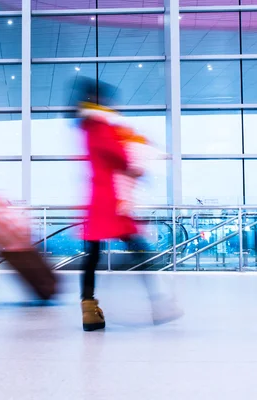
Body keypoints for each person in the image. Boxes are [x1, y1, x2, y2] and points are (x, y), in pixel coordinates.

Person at [75, 78, 183, 331]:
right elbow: (122, 158)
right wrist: (136, 161)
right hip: (113, 200)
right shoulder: (103, 128)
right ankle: (158, 302)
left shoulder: (87, 128)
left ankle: (88, 308)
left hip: (95, 198)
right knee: (140, 249)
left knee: (92, 254)